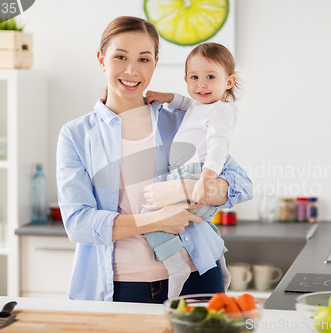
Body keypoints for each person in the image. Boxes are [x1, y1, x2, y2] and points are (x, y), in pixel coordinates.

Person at [56, 16, 253, 303]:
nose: (132, 70)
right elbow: (78, 223)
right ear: (102, 59)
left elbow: (241, 184)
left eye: (144, 59)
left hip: (198, 275)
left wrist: (183, 190)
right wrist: (156, 220)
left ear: (156, 63)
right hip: (122, 287)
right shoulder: (77, 135)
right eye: (120, 57)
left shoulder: (179, 120)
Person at [142, 42, 239, 298]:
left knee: (148, 217)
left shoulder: (221, 110)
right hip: (188, 173)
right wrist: (167, 97)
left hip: (196, 174)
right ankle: (221, 266)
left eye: (210, 77)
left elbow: (219, 145)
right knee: (201, 223)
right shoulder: (201, 105)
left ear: (228, 81)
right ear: (186, 79)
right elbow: (186, 103)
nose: (202, 85)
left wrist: (206, 177)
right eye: (195, 77)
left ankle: (175, 268)